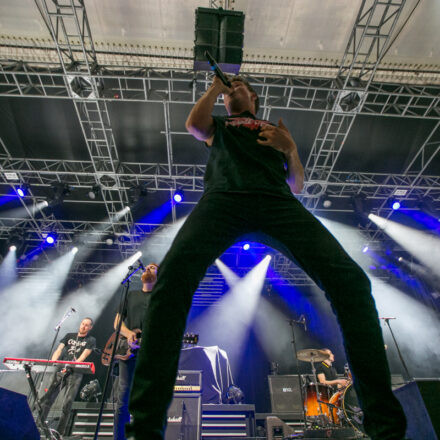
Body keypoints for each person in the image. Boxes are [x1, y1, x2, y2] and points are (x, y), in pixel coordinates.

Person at [126, 75, 407, 440]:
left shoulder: (274, 129)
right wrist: (215, 88)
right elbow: (194, 125)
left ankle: (386, 430)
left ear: (253, 96)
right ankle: (144, 430)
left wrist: (290, 148)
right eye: (228, 89)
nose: (232, 90)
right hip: (224, 198)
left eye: (237, 86)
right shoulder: (221, 124)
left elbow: (297, 185)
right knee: (170, 282)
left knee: (352, 282)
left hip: (276, 201)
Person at [113, 263, 159, 440]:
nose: (148, 268)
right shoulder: (130, 295)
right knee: (122, 401)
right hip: (128, 353)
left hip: (150, 356)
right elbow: (117, 323)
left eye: (153, 267)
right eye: (147, 267)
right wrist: (130, 334)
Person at [39, 317, 96, 436]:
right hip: (62, 370)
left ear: (90, 327)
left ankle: (60, 432)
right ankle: (39, 425)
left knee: (67, 403)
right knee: (48, 397)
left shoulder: (91, 340)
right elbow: (59, 349)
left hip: (76, 372)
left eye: (87, 325)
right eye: (82, 324)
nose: (83, 326)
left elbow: (84, 356)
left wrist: (74, 364)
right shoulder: (69, 335)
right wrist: (54, 361)